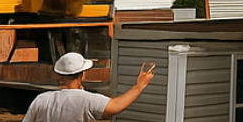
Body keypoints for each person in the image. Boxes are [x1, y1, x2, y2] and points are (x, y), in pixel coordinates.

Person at [22, 52, 155, 122]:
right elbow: (116, 105)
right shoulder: (86, 100)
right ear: (82, 74)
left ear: (59, 76)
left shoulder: (41, 100)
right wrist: (139, 86)